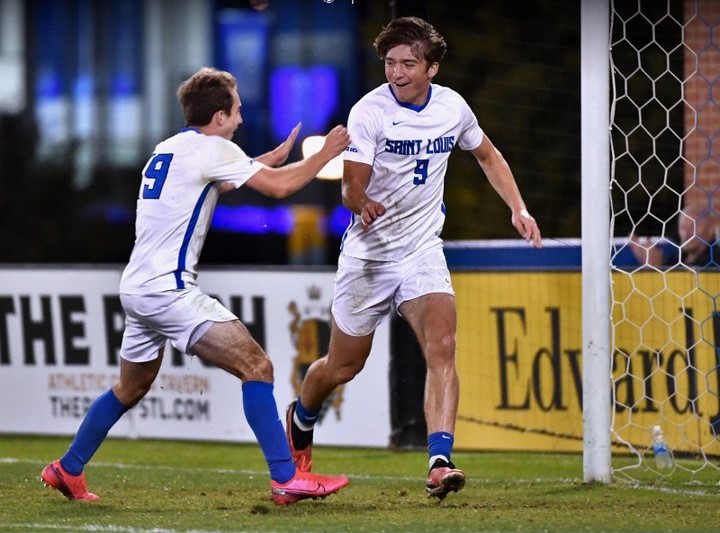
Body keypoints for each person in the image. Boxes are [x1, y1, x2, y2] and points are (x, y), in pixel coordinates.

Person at [40, 67, 351, 506]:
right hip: (168, 291)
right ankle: (286, 478)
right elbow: (279, 190)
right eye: (237, 111)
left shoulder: (168, 149)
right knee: (257, 367)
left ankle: (67, 468)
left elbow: (218, 182)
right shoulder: (211, 148)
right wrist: (326, 154)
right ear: (219, 117)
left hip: (137, 290)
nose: (241, 120)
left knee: (131, 387)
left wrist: (266, 159)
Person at [284, 17, 542, 500]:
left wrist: (518, 208)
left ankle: (440, 462)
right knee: (342, 367)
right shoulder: (370, 111)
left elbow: (488, 155)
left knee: (442, 348)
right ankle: (300, 418)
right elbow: (350, 185)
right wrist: (362, 203)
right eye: (389, 62)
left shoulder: (453, 107)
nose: (396, 72)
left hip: (422, 249)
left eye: (408, 63)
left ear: (432, 67)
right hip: (370, 254)